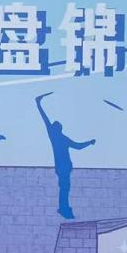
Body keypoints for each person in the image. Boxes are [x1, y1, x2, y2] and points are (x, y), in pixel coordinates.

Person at [35, 92, 95, 221]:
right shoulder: (58, 137)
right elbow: (78, 146)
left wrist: (89, 143)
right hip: (63, 167)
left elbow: (78, 146)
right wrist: (38, 104)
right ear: (59, 129)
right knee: (64, 188)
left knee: (65, 188)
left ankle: (64, 207)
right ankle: (63, 208)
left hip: (64, 167)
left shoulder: (58, 137)